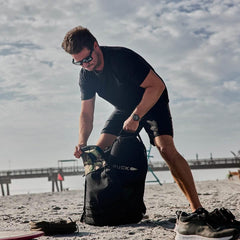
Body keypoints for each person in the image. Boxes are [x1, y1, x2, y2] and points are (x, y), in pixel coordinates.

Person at [62, 26, 239, 239]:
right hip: (124, 108)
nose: (85, 65)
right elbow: (86, 114)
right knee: (96, 154)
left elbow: (157, 86)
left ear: (95, 46)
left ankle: (197, 210)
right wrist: (82, 142)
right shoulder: (86, 76)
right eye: (79, 62)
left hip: (153, 102)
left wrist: (136, 117)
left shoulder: (122, 58)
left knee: (166, 149)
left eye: (87, 59)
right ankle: (108, 209)